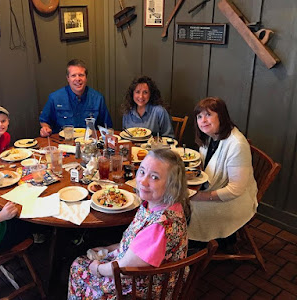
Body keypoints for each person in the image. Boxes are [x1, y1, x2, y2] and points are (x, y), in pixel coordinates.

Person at [68, 149, 189, 299]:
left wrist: (98, 268)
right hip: (142, 270)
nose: (143, 181)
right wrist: (109, 249)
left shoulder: (159, 226)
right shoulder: (159, 204)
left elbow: (125, 268)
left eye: (155, 177)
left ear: (172, 186)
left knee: (78, 266)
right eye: (142, 172)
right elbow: (138, 246)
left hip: (143, 287)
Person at [188, 97, 258, 248]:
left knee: (187, 205)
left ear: (221, 116)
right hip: (214, 189)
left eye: (208, 115)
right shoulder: (210, 135)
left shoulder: (237, 144)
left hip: (235, 202)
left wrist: (201, 196)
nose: (203, 120)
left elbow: (235, 190)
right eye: (199, 116)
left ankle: (195, 246)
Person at [39, 59, 113, 137]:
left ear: (86, 78)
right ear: (68, 78)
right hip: (63, 143)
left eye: (81, 75)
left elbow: (106, 126)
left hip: (89, 144)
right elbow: (44, 120)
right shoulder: (55, 98)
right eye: (73, 75)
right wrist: (45, 128)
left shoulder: (98, 98)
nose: (78, 79)